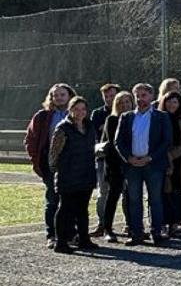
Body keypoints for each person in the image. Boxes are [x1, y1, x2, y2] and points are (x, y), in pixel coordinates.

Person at [116, 83, 173, 245]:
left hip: (153, 165)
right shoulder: (126, 117)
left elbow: (166, 141)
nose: (141, 99)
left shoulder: (161, 117)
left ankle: (156, 232)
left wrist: (150, 157)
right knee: (134, 200)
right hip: (132, 165)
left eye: (144, 95)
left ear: (151, 96)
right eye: (138, 96)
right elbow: (118, 141)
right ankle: (136, 234)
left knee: (155, 199)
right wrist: (128, 158)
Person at [25, 83, 75, 248]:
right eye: (56, 95)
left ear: (69, 96)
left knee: (70, 200)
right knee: (52, 200)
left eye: (63, 95)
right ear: (51, 97)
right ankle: (51, 234)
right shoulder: (42, 116)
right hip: (50, 164)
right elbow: (30, 139)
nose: (59, 98)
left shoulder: (77, 114)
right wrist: (35, 159)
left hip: (71, 164)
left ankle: (69, 233)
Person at [48, 96, 97, 253]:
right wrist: (57, 171)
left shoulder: (89, 126)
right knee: (65, 209)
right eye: (76, 109)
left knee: (83, 209)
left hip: (86, 173)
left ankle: (84, 239)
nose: (80, 112)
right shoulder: (62, 128)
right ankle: (61, 242)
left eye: (83, 109)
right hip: (67, 175)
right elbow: (54, 154)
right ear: (70, 110)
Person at [97, 91, 133, 242]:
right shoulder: (111, 119)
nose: (124, 105)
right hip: (115, 164)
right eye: (121, 103)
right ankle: (107, 228)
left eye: (127, 102)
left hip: (132, 164)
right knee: (113, 197)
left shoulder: (136, 118)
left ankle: (133, 226)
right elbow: (113, 143)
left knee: (131, 197)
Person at [88, 83, 120, 238]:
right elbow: (95, 132)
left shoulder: (126, 112)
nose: (109, 99)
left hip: (123, 159)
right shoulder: (97, 113)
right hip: (104, 158)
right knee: (103, 192)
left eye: (112, 95)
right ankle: (102, 224)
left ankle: (130, 225)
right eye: (106, 96)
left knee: (127, 193)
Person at [159, 91, 181, 237]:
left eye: (175, 102)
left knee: (177, 193)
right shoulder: (158, 118)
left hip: (178, 162)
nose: (172, 104)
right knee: (163, 193)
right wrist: (166, 156)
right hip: (161, 161)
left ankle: (175, 224)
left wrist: (173, 155)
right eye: (169, 101)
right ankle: (162, 224)